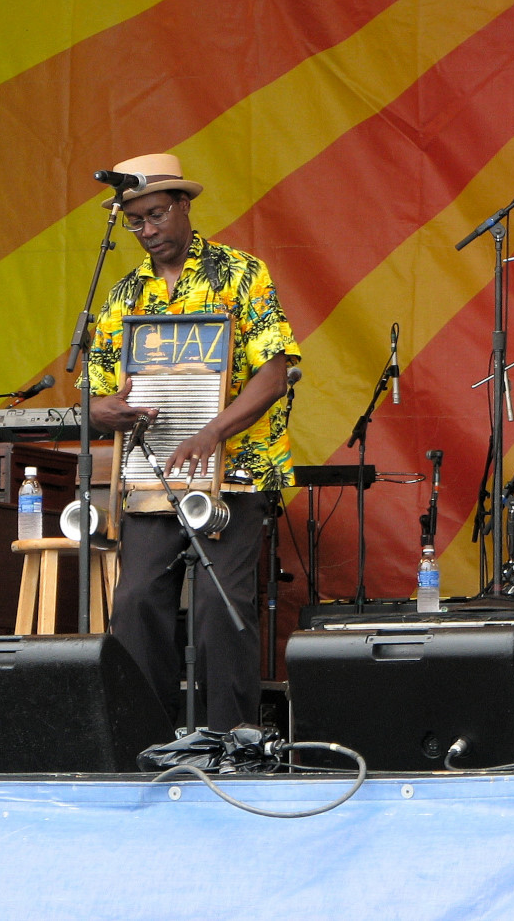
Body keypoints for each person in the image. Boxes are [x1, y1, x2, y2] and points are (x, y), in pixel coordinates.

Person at [88, 153, 300, 731]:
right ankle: (148, 738)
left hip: (235, 472)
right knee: (134, 604)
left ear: (184, 206)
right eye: (136, 223)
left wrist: (211, 431)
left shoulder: (240, 274)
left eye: (157, 215)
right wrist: (100, 409)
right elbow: (98, 391)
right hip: (152, 473)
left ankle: (230, 743)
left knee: (217, 609)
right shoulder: (124, 297)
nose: (148, 231)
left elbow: (274, 372)